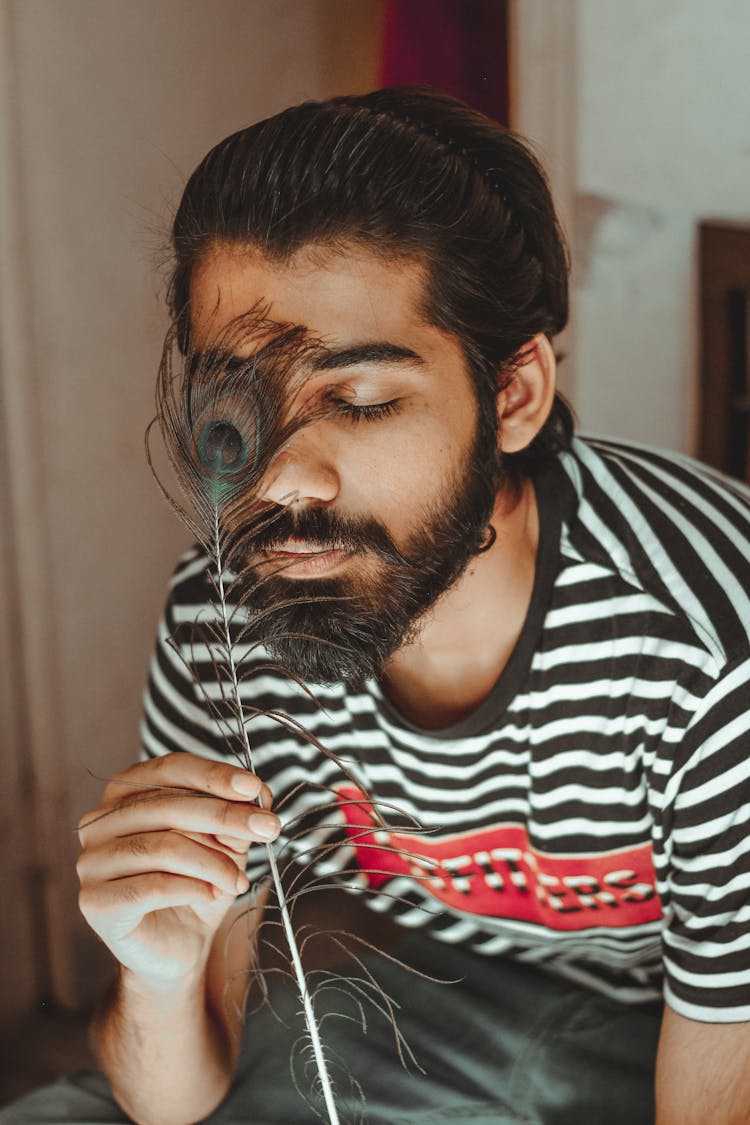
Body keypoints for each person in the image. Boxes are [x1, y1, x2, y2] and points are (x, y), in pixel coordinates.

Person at [5, 86, 750, 1125]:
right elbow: (171, 1099)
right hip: (427, 1003)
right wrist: (159, 970)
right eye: (237, 404)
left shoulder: (709, 654)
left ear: (514, 394)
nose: (283, 480)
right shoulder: (231, 610)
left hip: (685, 1021)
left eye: (360, 401)